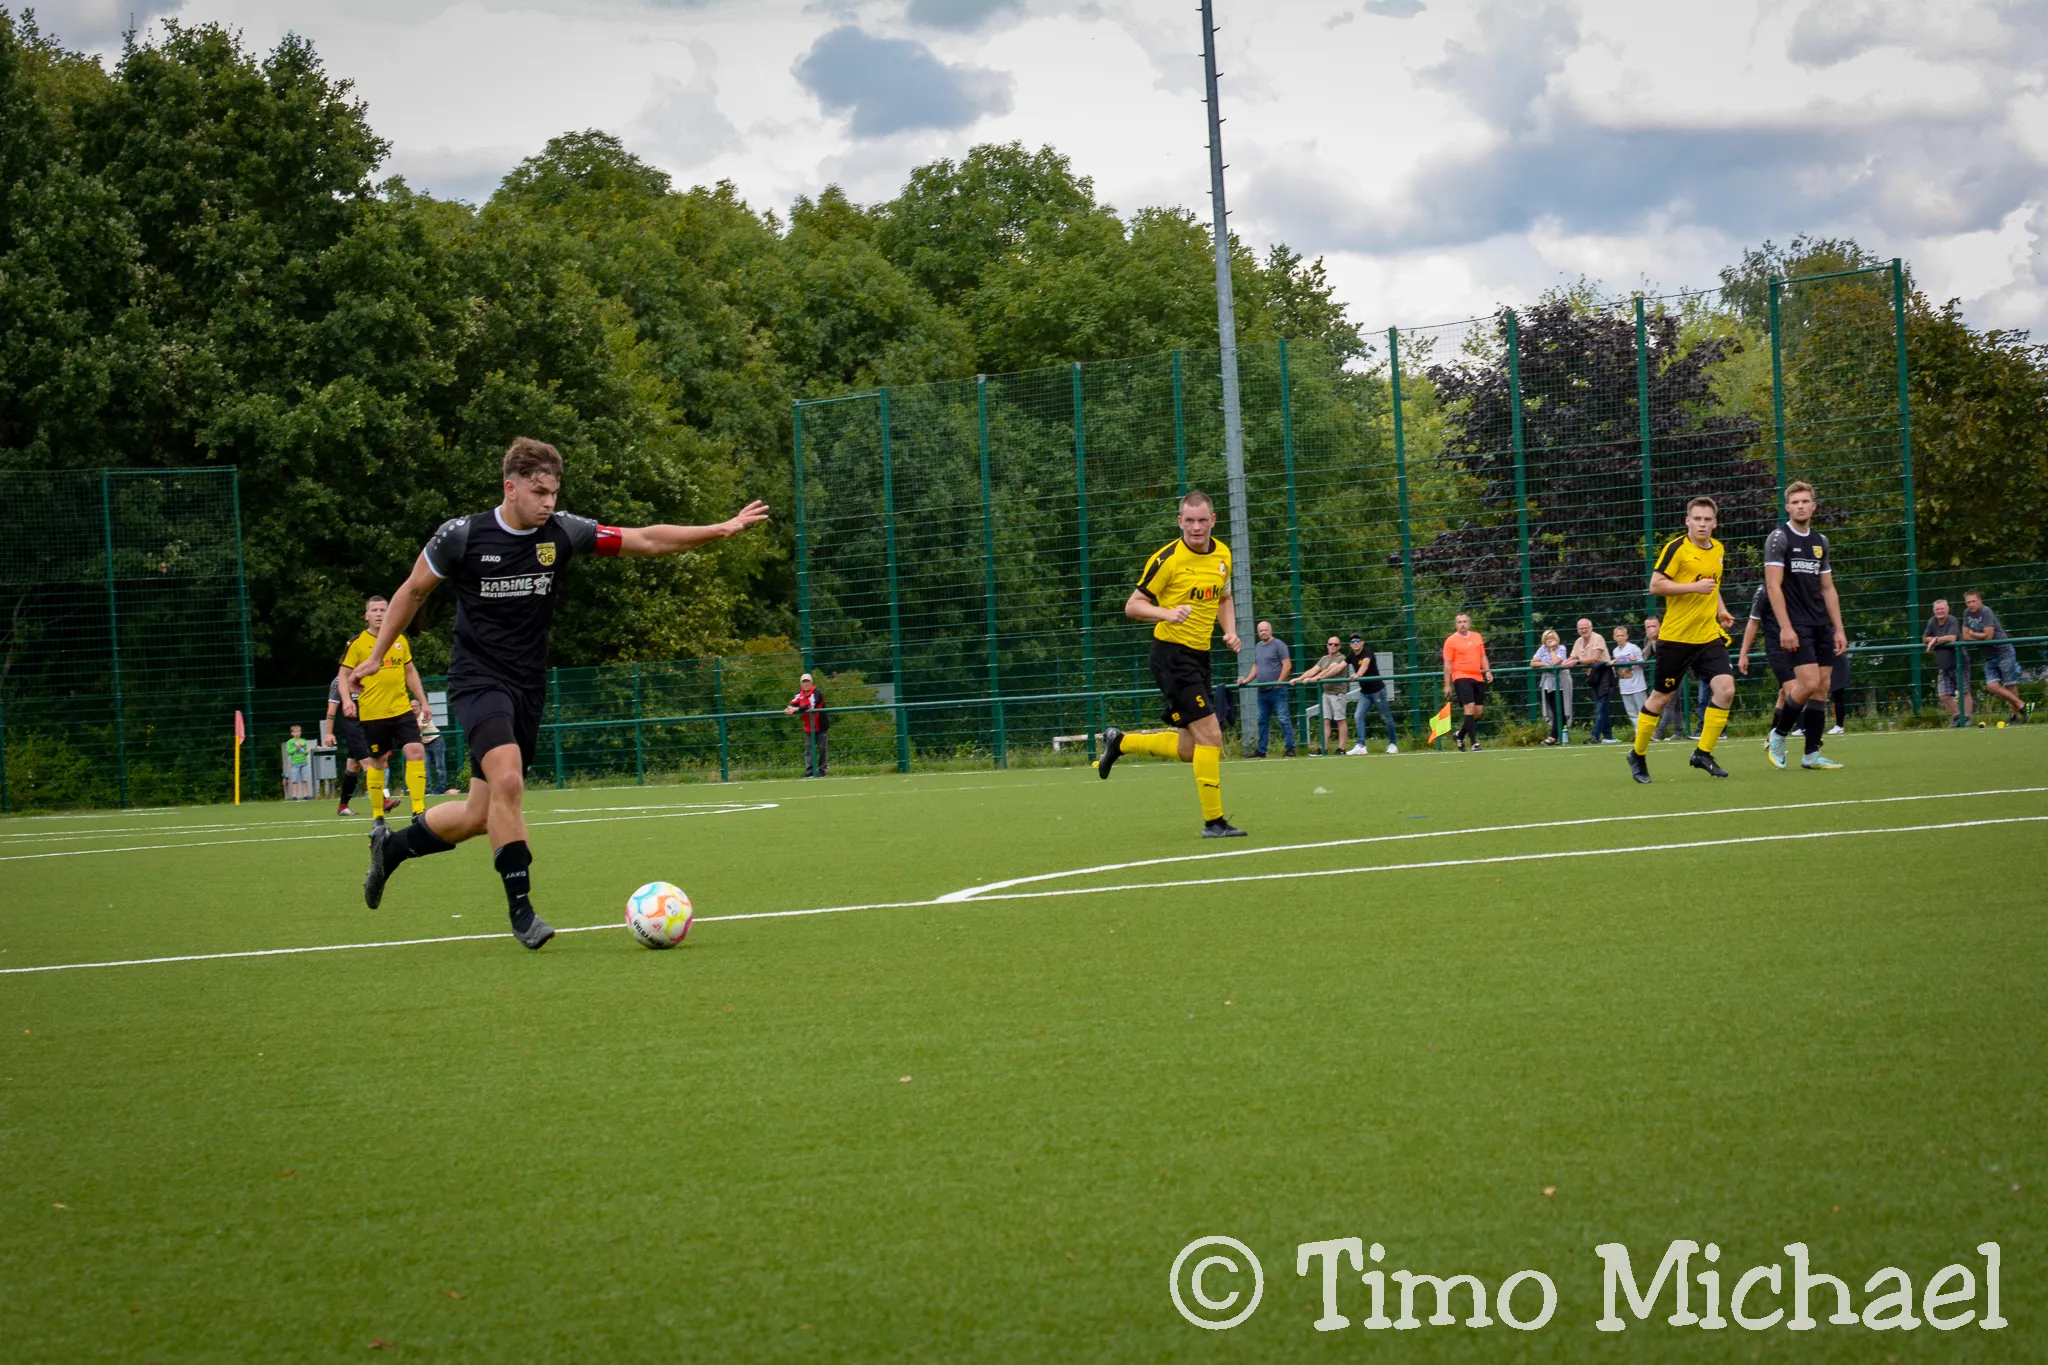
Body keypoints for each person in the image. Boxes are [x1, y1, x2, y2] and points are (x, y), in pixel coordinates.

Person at [356, 436, 770, 948]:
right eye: (539, 492)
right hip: (477, 680)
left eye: (554, 492)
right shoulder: (461, 536)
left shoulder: (564, 531)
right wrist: (377, 655)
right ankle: (522, 912)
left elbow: (645, 539)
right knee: (508, 781)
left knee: (480, 815)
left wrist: (720, 528)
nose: (549, 502)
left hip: (528, 686)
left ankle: (392, 849)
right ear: (510, 488)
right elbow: (413, 591)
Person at [1097, 489, 1247, 837]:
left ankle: (1120, 742)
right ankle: (1214, 823)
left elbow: (1224, 598)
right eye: (1189, 521)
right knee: (1211, 735)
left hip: (1199, 656)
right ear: (1180, 522)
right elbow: (1133, 606)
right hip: (1171, 656)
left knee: (1188, 749)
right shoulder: (1167, 560)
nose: (1196, 527)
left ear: (1213, 520)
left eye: (1202, 520)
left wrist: (1230, 631)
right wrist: (1167, 613)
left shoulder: (1223, 555)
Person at [1627, 495, 1736, 783]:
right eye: (1697, 519)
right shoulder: (1676, 548)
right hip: (1676, 638)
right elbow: (1655, 585)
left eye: (1707, 519)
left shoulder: (1718, 549)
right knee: (1661, 698)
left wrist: (1721, 611)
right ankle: (1637, 754)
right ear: (1687, 521)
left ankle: (1703, 753)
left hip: (1707, 636)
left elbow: (1713, 586)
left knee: (1726, 690)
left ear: (1715, 523)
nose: (1702, 524)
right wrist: (1693, 587)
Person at [1762, 482, 1847, 771]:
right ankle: (1778, 734)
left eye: (1805, 501)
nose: (1800, 505)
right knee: (1808, 683)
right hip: (1796, 623)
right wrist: (1785, 627)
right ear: (1787, 507)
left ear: (1814, 506)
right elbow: (1773, 586)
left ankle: (1811, 754)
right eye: (1795, 501)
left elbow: (1828, 588)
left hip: (1821, 623)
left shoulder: (1821, 541)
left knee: (1822, 687)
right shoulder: (1779, 538)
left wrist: (1838, 629)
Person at [339, 595, 433, 829]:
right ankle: (378, 815)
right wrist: (346, 700)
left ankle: (419, 810)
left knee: (415, 751)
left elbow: (410, 671)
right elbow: (343, 674)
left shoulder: (399, 640)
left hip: (401, 709)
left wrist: (423, 701)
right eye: (374, 610)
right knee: (378, 761)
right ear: (366, 615)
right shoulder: (357, 643)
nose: (379, 614)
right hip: (373, 713)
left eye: (383, 610)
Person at [1962, 590, 2030, 723]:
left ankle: (2014, 716)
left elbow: (1989, 636)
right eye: (1968, 602)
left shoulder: (1986, 611)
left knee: (2010, 684)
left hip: (2003, 651)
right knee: (1992, 686)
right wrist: (1979, 636)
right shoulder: (1967, 613)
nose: (1971, 605)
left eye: (1973, 601)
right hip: (1988, 654)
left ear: (1980, 601)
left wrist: (1973, 634)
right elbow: (1964, 636)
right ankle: (2022, 705)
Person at [1235, 619, 1296, 758]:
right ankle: (1261, 750)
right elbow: (1256, 666)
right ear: (1258, 633)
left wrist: (1279, 682)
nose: (1263, 632)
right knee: (1262, 721)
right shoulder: (1258, 647)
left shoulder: (1279, 645)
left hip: (1277, 691)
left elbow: (1287, 665)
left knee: (1283, 719)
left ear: (1270, 630)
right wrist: (1246, 680)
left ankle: (1290, 748)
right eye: (1261, 630)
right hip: (1262, 691)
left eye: (1265, 630)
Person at [322, 676, 380, 817]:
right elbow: (331, 710)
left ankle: (343, 806)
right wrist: (328, 733)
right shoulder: (339, 681)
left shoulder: (365, 675)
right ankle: (382, 800)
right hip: (351, 727)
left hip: (365, 724)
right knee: (367, 763)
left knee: (353, 765)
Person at [1441, 614, 1493, 752]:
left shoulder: (1477, 637)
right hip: (1461, 676)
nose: (1462, 624)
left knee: (1478, 711)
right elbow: (1447, 664)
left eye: (1464, 621)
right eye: (1459, 622)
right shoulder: (1451, 641)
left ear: (1469, 623)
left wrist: (1487, 671)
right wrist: (1447, 685)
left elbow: (1482, 656)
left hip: (1477, 677)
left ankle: (1460, 735)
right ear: (1455, 625)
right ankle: (1474, 742)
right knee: (1469, 707)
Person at [1297, 635, 1354, 754]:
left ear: (1339, 647)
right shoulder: (1324, 658)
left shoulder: (1341, 658)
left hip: (1338, 693)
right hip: (1326, 693)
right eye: (1330, 644)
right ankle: (1324, 748)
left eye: (1335, 645)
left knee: (1340, 720)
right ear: (1327, 646)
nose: (1333, 646)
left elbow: (1331, 670)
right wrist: (1298, 679)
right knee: (1325, 720)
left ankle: (1341, 748)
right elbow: (1313, 670)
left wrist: (1315, 678)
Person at [1346, 634, 1398, 754]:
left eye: (1357, 640)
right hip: (1365, 693)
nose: (1355, 643)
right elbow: (1339, 666)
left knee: (1386, 717)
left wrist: (1358, 675)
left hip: (1377, 691)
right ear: (1350, 644)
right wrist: (1321, 676)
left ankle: (1393, 744)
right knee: (1358, 716)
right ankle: (1361, 746)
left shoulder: (1367, 653)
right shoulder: (1351, 656)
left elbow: (1364, 665)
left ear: (1362, 642)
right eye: (1352, 641)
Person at [1568, 617, 1615, 742]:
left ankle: (1595, 736)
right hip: (1593, 678)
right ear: (1578, 630)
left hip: (1605, 675)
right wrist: (1561, 664)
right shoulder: (1578, 642)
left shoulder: (1597, 638)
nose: (1583, 630)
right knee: (1603, 707)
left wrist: (1577, 662)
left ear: (1591, 627)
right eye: (1581, 628)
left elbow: (1594, 658)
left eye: (1586, 628)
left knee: (1601, 707)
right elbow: (1571, 657)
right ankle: (1609, 737)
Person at [1923, 599, 1967, 726]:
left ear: (1947, 609)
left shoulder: (1952, 620)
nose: (1939, 611)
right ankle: (1958, 716)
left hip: (1958, 661)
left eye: (1942, 608)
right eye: (1937, 609)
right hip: (1943, 663)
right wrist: (1935, 640)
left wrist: (1935, 639)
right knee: (1943, 694)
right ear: (1934, 611)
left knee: (1964, 691)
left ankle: (1967, 719)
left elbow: (1952, 638)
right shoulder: (1932, 621)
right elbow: (1925, 638)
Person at [785, 672, 830, 777]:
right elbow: (793, 703)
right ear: (801, 683)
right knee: (809, 748)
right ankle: (810, 770)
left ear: (811, 682)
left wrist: (795, 709)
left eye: (808, 681)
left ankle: (822, 770)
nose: (806, 684)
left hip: (821, 725)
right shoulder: (799, 693)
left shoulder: (816, 692)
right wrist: (789, 708)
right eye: (804, 682)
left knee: (822, 749)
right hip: (808, 726)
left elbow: (810, 705)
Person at [1530, 629, 1569, 744]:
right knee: (1554, 710)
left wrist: (1552, 650)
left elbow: (1556, 662)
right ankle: (1563, 735)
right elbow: (1533, 663)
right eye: (1547, 638)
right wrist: (1544, 663)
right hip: (1548, 683)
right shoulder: (1542, 649)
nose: (1550, 640)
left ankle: (1553, 736)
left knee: (1560, 709)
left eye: (1552, 638)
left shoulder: (1561, 649)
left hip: (1560, 683)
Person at [1611, 626, 1647, 729]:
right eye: (1618, 636)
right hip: (1624, 687)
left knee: (1643, 711)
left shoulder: (1633, 648)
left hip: (1638, 686)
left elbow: (1644, 664)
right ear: (1614, 637)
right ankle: (1638, 732)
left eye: (1622, 635)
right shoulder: (1615, 651)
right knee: (1631, 713)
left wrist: (1635, 660)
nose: (1620, 638)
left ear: (1627, 636)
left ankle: (1648, 732)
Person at [418, 712, 457, 795]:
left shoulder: (423, 715)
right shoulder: (411, 718)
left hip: (436, 741)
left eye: (415, 706)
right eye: (412, 706)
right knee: (425, 768)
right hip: (424, 743)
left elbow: (419, 729)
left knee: (439, 766)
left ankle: (440, 789)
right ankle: (427, 790)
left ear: (419, 706)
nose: (413, 708)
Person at [1828, 642, 1854, 734]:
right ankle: (1804, 726)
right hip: (1826, 665)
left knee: (1837, 694)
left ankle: (1839, 726)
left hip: (1838, 665)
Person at [283, 724, 313, 800]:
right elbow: (289, 752)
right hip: (295, 764)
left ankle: (305, 795)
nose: (297, 733)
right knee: (294, 780)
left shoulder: (303, 741)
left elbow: (305, 752)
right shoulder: (290, 742)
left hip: (304, 763)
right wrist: (296, 747)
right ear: (292, 733)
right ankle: (294, 796)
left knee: (304, 779)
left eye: (299, 731)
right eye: (295, 732)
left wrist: (307, 752)